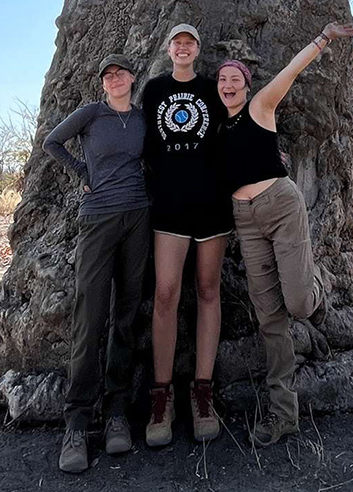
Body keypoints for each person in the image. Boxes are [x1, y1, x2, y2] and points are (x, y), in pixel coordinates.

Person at [215, 21, 353, 447]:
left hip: (279, 204)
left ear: (246, 84)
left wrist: (324, 37)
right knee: (269, 319)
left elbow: (291, 71)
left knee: (296, 302)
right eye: (222, 79)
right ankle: (283, 414)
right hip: (245, 220)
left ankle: (318, 288)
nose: (228, 84)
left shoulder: (261, 107)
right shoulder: (215, 131)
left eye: (235, 79)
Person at [42, 54, 150, 473]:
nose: (115, 78)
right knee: (90, 316)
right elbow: (53, 142)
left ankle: (118, 412)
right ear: (103, 84)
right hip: (98, 218)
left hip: (138, 217)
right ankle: (77, 421)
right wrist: (81, 170)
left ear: (131, 78)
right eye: (108, 75)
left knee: (126, 313)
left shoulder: (141, 119)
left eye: (120, 72)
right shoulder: (91, 114)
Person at [141, 23, 232, 447]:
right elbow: (143, 145)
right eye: (176, 41)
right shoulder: (155, 90)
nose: (182, 47)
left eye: (190, 42)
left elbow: (236, 128)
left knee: (209, 289)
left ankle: (203, 392)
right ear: (168, 48)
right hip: (170, 207)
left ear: (198, 50)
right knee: (165, 293)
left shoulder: (214, 89)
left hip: (211, 204)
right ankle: (162, 396)